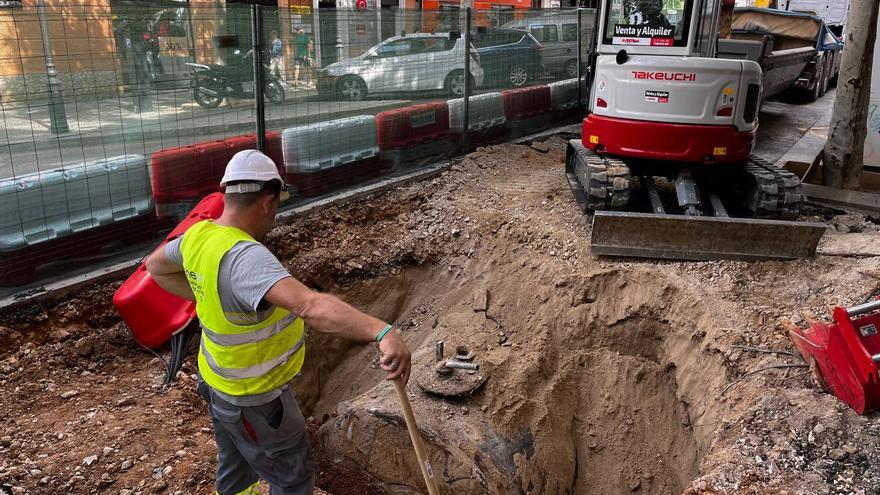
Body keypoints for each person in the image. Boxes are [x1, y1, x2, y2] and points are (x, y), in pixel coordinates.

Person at [145, 150, 412, 495]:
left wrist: (205, 294)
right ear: (268, 203)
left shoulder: (198, 237)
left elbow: (155, 266)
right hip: (256, 400)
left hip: (216, 383)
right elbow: (311, 306)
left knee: (235, 464)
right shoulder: (247, 258)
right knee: (292, 480)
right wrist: (382, 331)